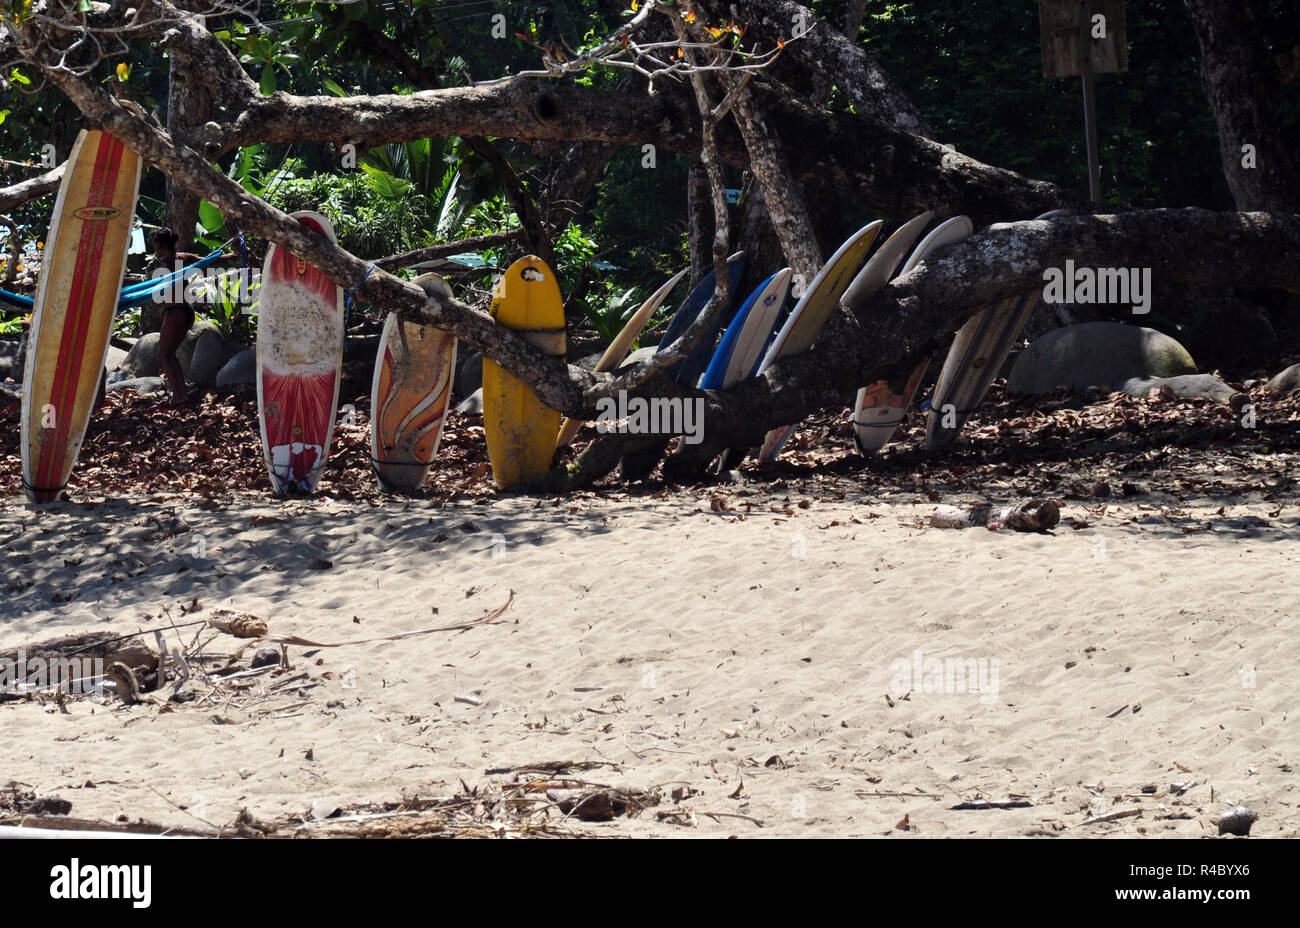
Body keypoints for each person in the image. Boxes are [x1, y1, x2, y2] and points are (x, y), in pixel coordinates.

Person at [149, 228, 204, 407]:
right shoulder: (183, 257)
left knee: (164, 355)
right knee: (170, 354)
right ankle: (181, 394)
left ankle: (178, 395)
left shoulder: (167, 263)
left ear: (166, 247)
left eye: (159, 249)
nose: (157, 253)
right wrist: (229, 256)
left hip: (175, 312)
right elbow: (207, 260)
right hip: (187, 313)